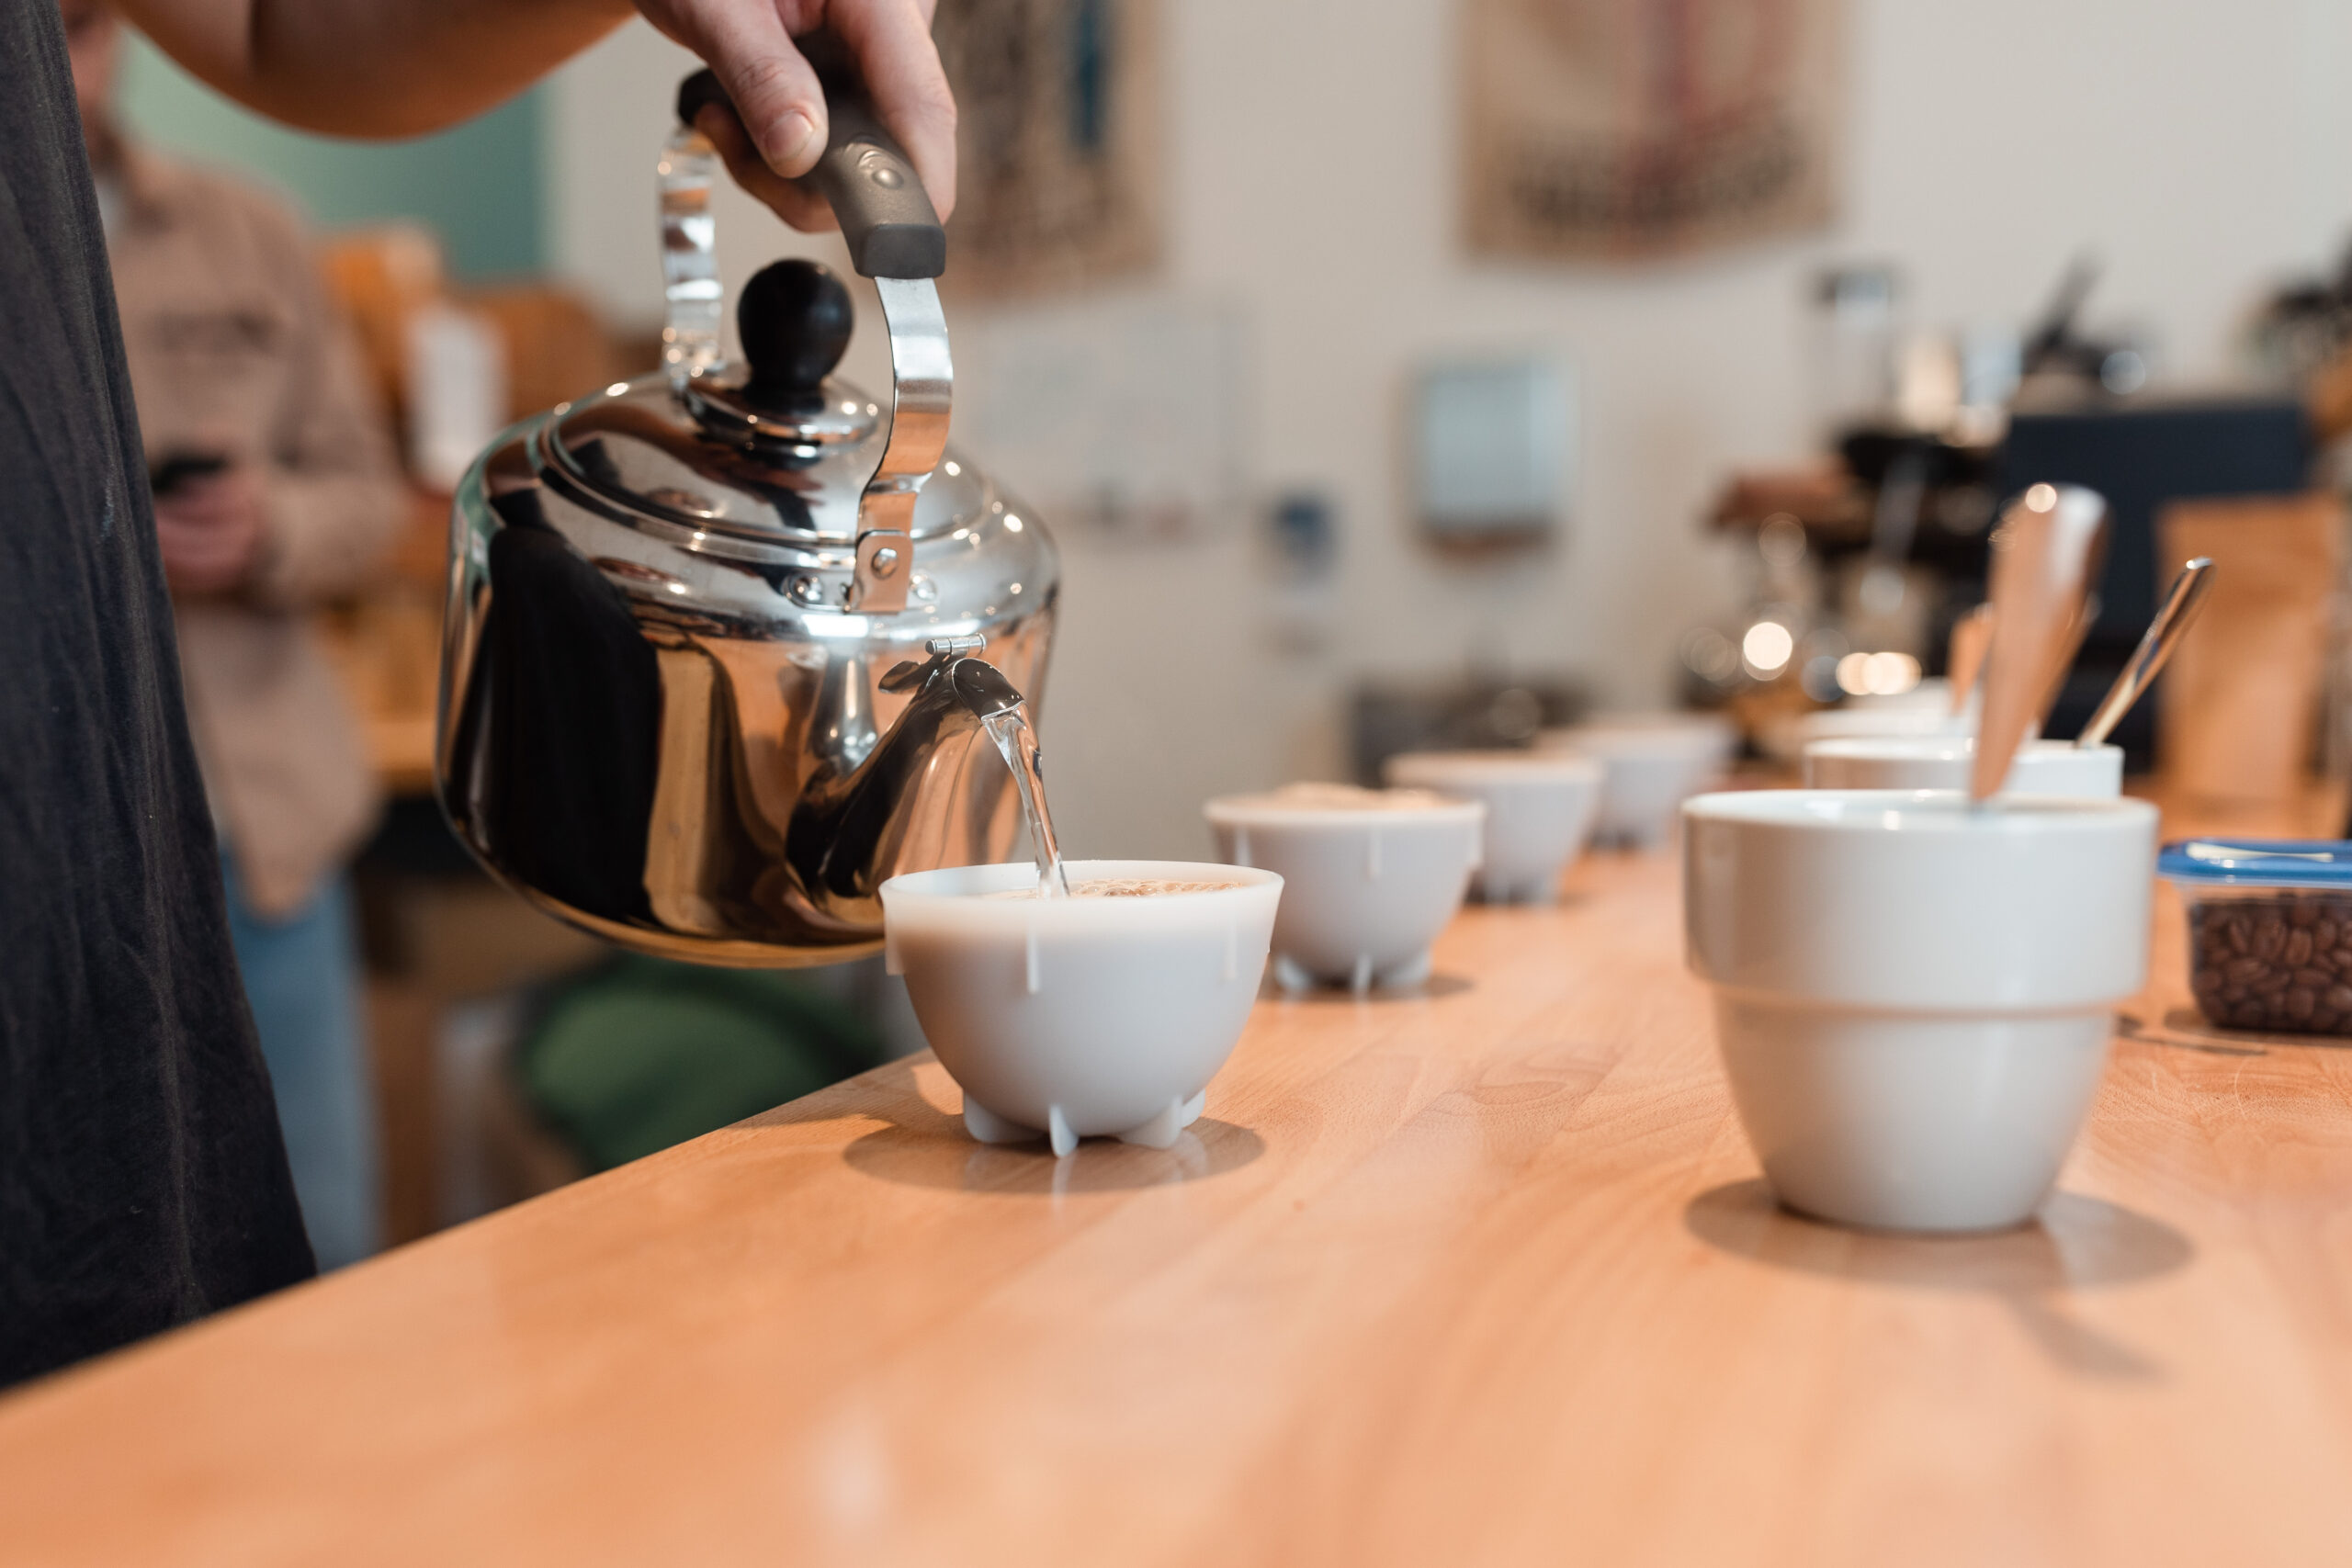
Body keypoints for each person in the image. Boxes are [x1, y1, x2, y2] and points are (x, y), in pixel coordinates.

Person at [0, 0, 956, 1388]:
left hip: (250, 806)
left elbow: (280, 37)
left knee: (267, 1270)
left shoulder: (245, 234)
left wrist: (267, 527)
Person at [62, 0, 411, 1272]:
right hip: (53, 864)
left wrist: (271, 525)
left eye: (80, 27)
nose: (52, 63)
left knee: (315, 1245)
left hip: (258, 834)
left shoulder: (249, 232)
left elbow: (373, 500)